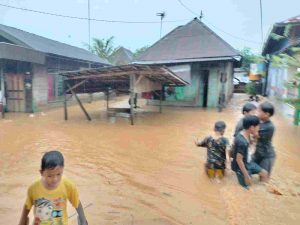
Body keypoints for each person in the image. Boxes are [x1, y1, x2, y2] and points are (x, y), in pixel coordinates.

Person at [18, 151, 88, 225]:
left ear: (63, 169)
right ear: (41, 173)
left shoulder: (68, 186)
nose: (55, 179)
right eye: (50, 176)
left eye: (58, 174)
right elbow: (26, 208)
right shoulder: (33, 188)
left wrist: (83, 221)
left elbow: (76, 203)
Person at [231, 115, 268, 189]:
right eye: (258, 127)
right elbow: (239, 160)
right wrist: (246, 175)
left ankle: (264, 189)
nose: (259, 129)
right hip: (240, 167)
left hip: (248, 162)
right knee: (247, 187)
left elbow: (249, 145)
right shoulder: (242, 142)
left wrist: (255, 138)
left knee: (264, 173)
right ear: (251, 128)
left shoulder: (244, 133)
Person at [252, 102, 276, 177]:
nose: (257, 112)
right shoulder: (260, 122)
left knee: (263, 180)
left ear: (267, 114)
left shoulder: (269, 127)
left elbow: (254, 134)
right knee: (246, 169)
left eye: (259, 111)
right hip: (258, 153)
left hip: (267, 156)